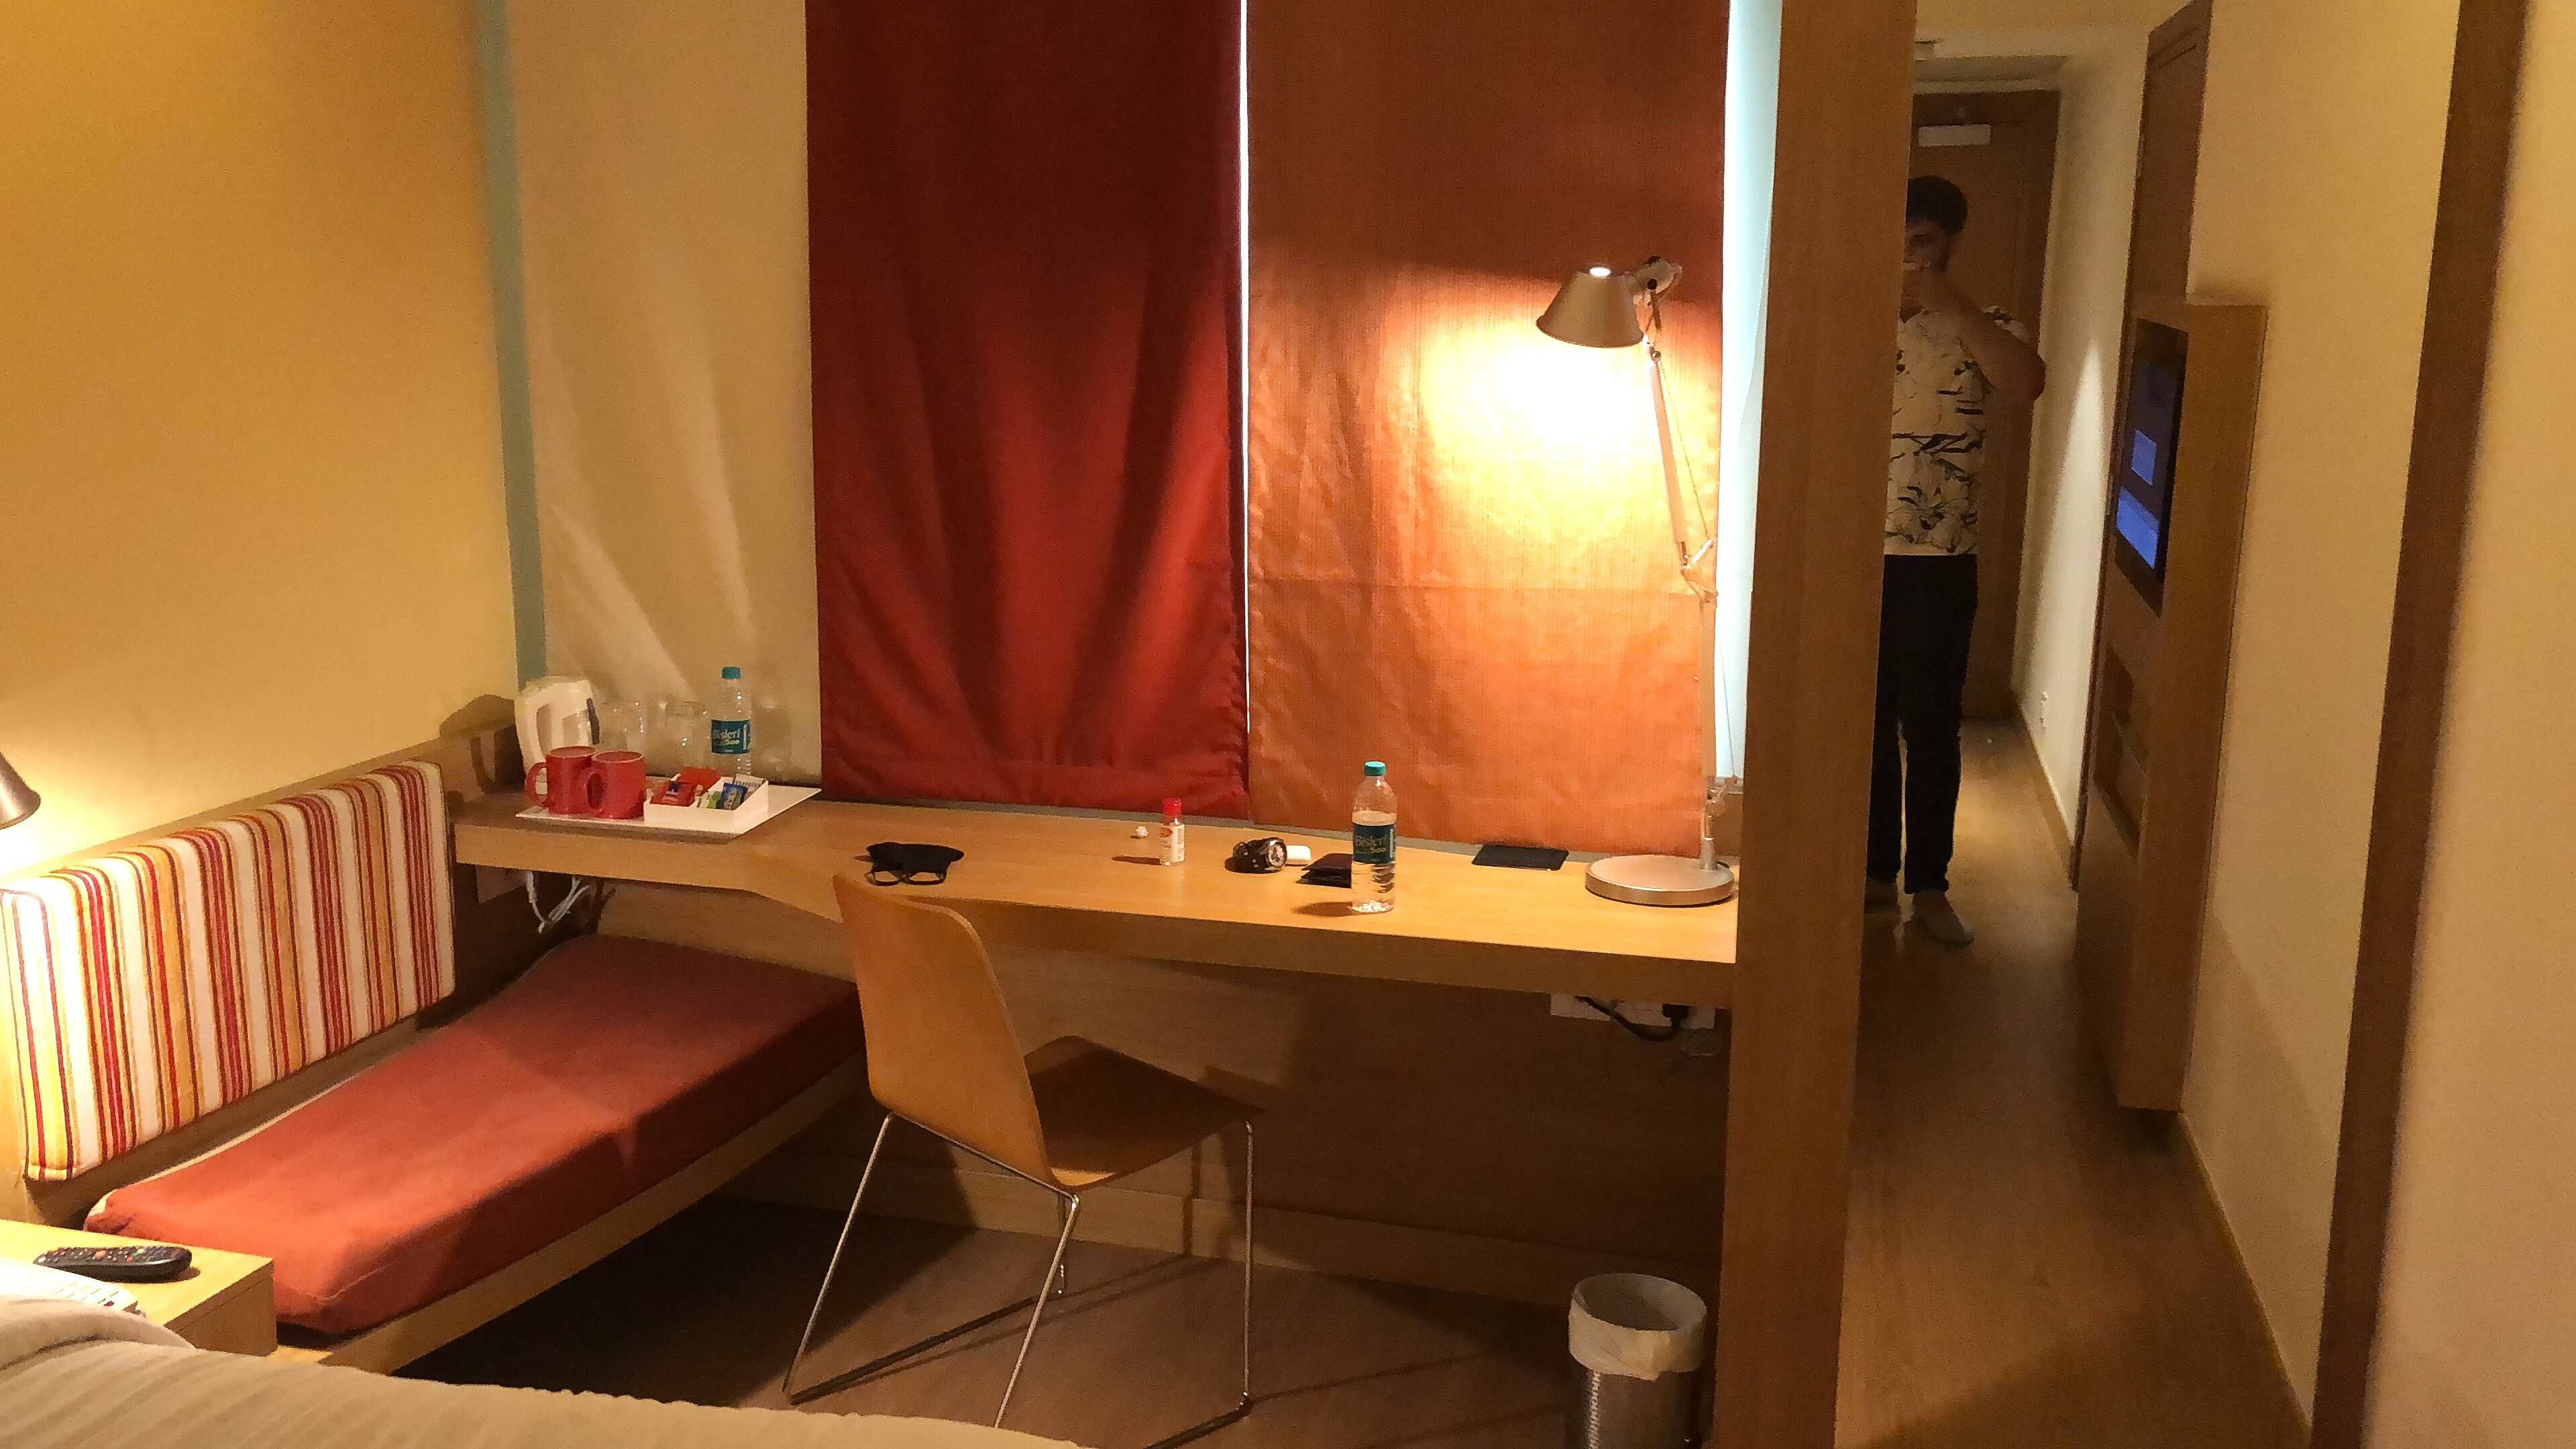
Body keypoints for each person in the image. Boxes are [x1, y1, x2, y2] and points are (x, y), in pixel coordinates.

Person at [1870, 174, 2046, 947]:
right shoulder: (1853, 321)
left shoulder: (1986, 325)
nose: (1908, 257)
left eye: (1923, 242)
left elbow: (2025, 384)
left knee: (1932, 726)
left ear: (1948, 245)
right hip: (1853, 558)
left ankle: (1931, 886)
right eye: (1897, 241)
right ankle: (1872, 874)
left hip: (1940, 561)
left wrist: (1955, 307)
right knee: (1864, 726)